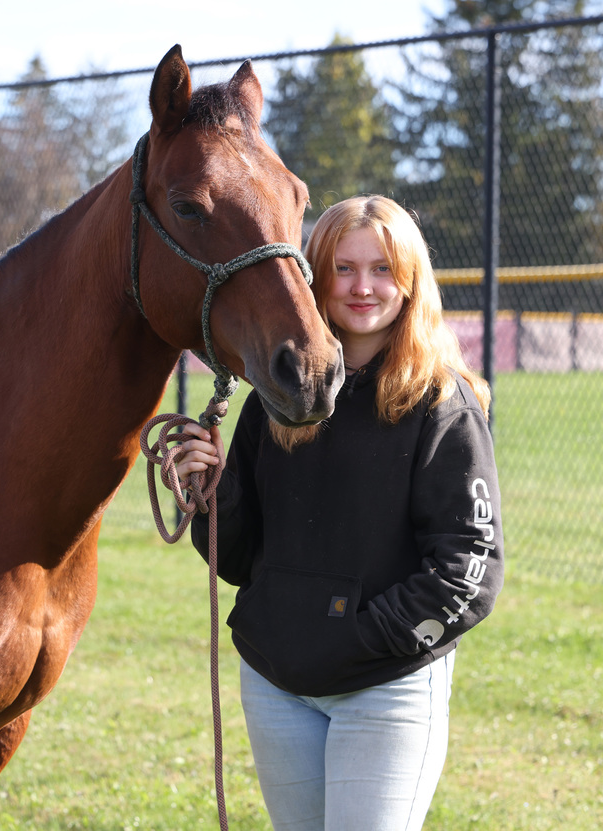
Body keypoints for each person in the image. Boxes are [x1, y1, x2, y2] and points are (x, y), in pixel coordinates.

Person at [177, 195, 503, 831]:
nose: (363, 287)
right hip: (276, 685)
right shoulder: (274, 397)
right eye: (344, 268)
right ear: (313, 276)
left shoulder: (442, 402)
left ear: (409, 281)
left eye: (382, 268)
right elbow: (239, 560)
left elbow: (471, 570)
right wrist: (215, 493)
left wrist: (360, 640)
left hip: (386, 688)